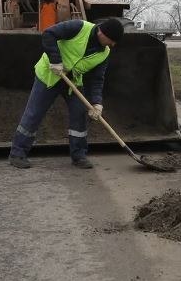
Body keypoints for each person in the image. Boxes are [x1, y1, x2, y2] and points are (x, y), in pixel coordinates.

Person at [8, 18, 124, 170]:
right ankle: (17, 153)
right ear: (102, 32)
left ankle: (79, 156)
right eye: (111, 40)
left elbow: (96, 79)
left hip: (72, 83)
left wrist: (96, 102)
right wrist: (55, 60)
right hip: (49, 75)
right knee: (34, 113)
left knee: (79, 114)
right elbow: (48, 34)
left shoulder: (104, 54)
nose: (113, 45)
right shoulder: (79, 27)